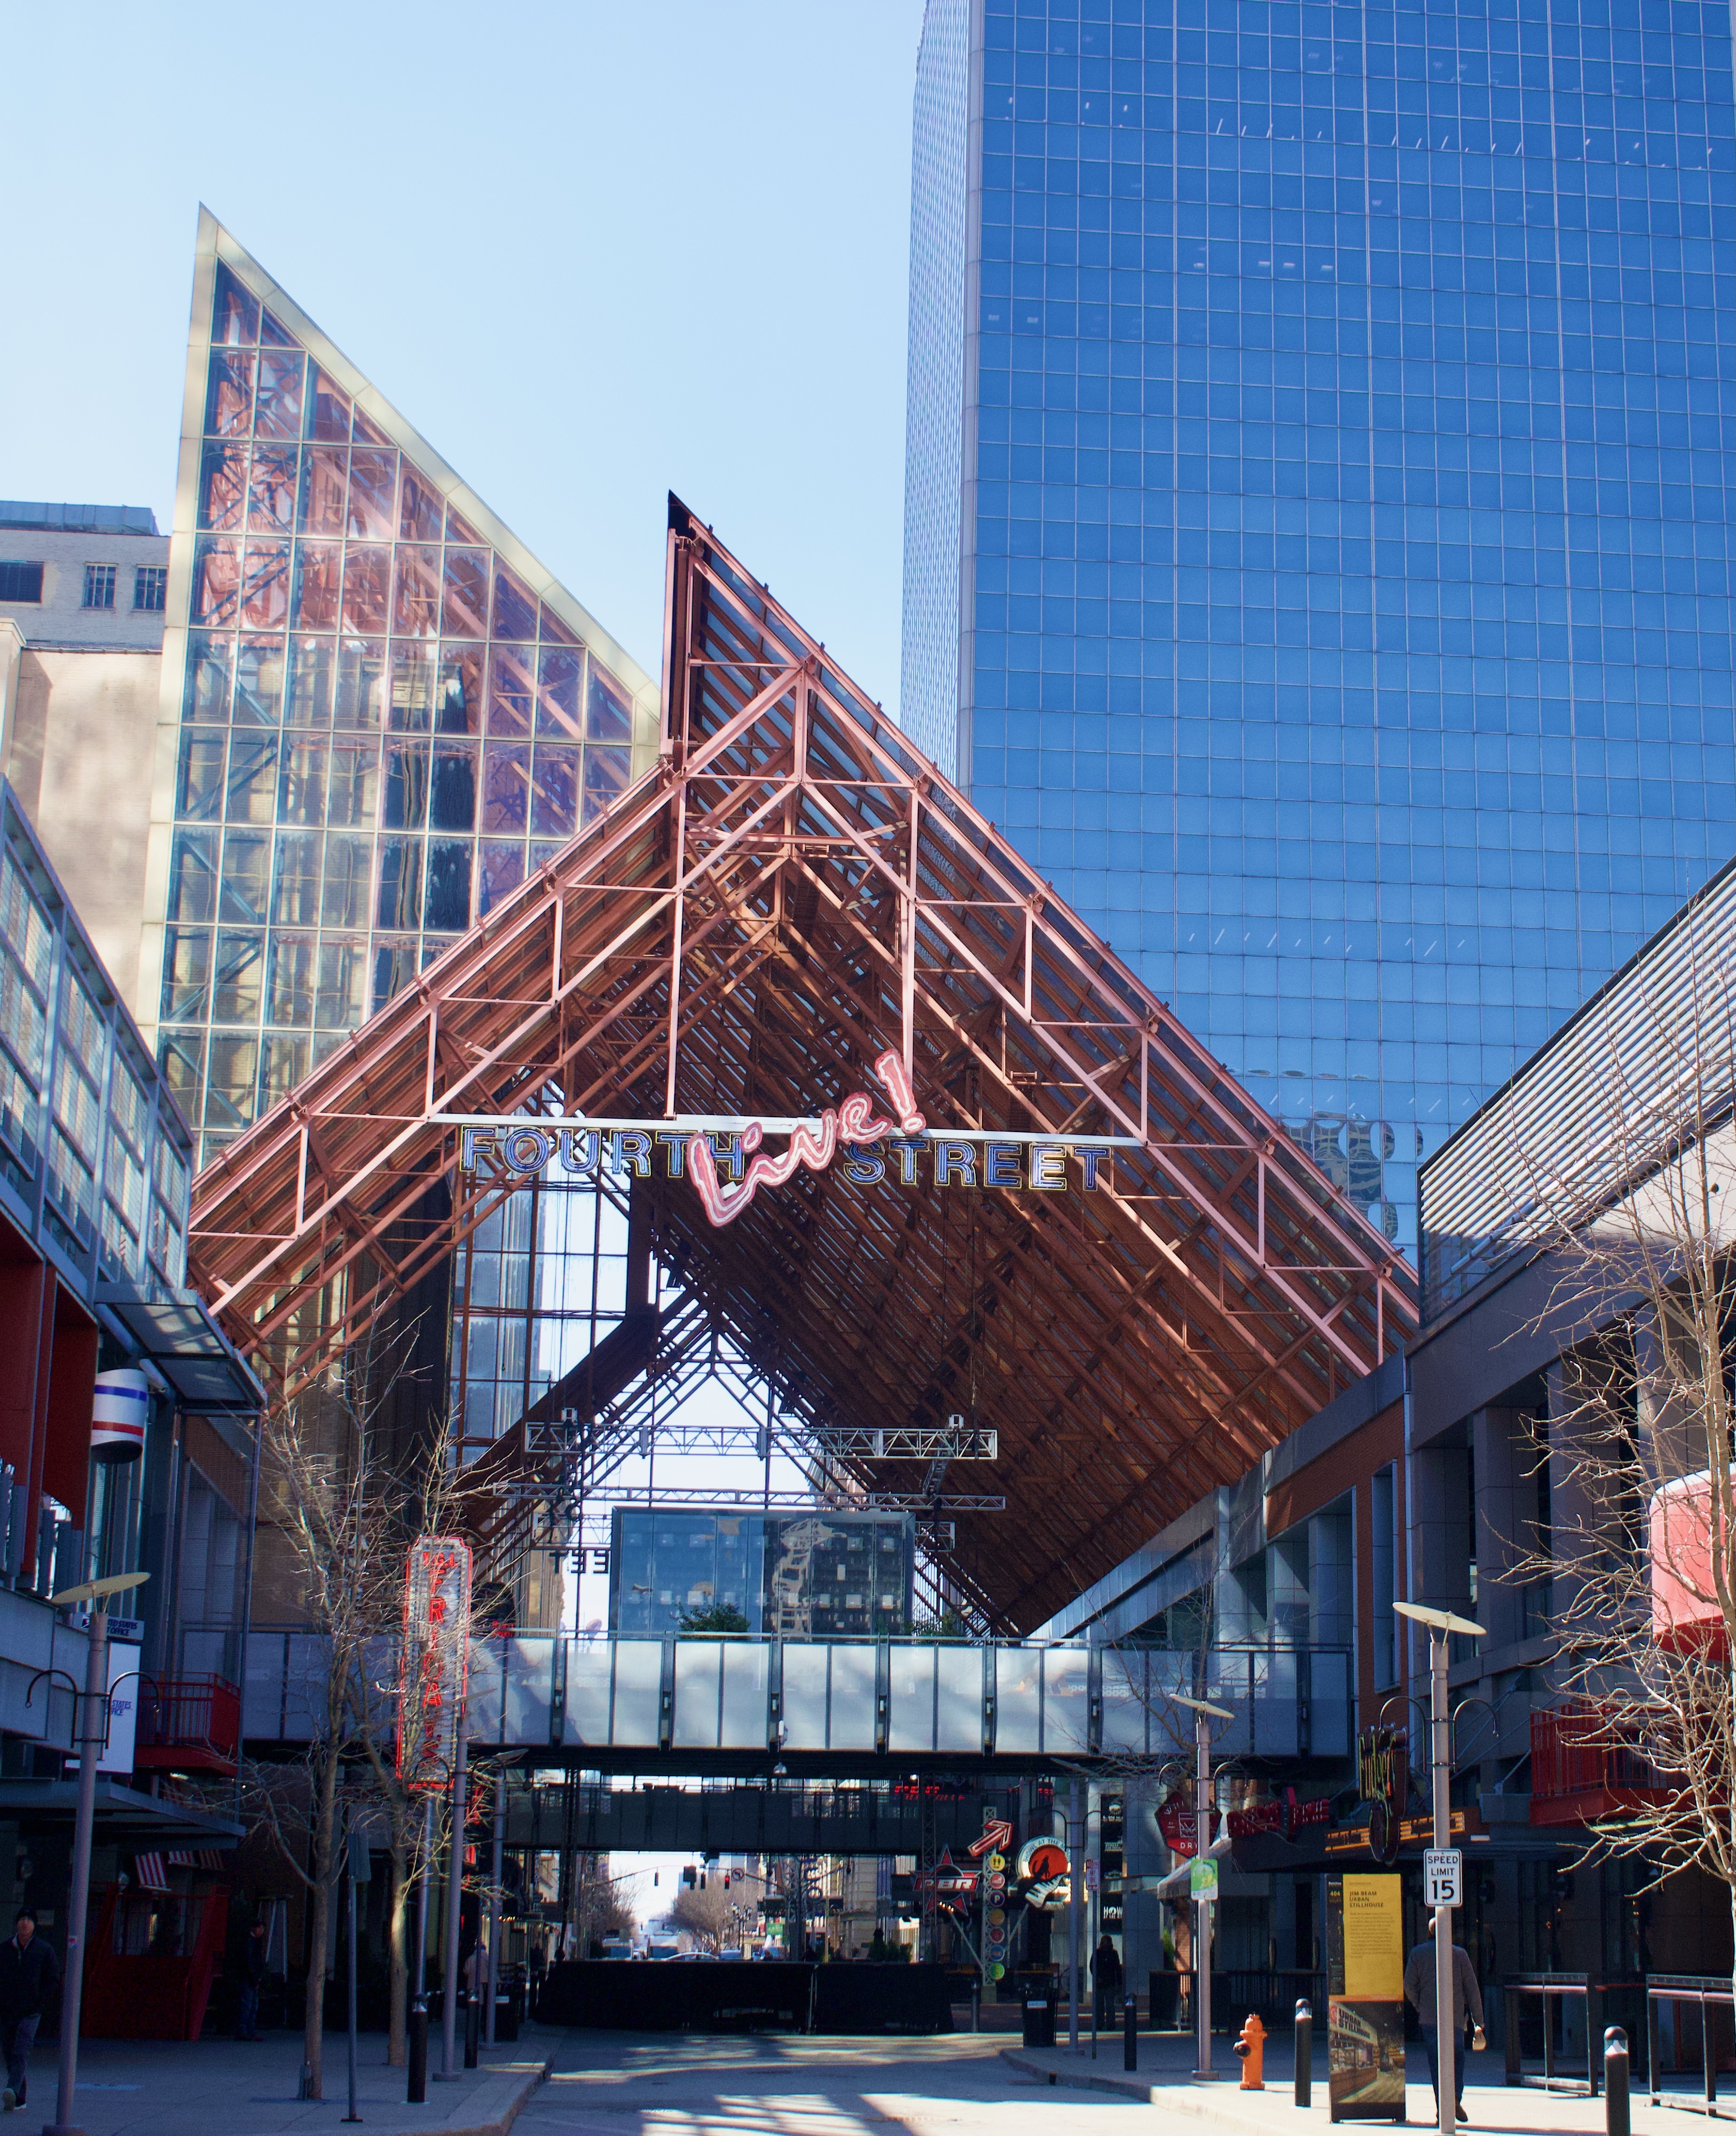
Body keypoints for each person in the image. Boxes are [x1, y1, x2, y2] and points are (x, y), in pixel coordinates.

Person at [1403, 1929, 1486, 2124]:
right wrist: (1479, 2021)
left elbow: (1409, 1985)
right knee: (1457, 2058)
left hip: (1429, 2019)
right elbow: (1472, 1989)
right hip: (1455, 2018)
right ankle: (1454, 2098)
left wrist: (1420, 2005)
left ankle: (1443, 2106)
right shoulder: (1459, 1954)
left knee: (1436, 2063)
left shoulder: (1417, 1954)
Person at [0, 1907, 59, 2111]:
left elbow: (52, 1980)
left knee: (21, 2050)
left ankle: (11, 2089)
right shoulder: (5, 1949)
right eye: (22, 1919)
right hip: (8, 2010)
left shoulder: (44, 1950)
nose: (25, 1923)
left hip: (31, 2011)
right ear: (17, 1923)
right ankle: (19, 2096)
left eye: (29, 1920)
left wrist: (40, 1999)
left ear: (34, 1925)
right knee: (9, 2052)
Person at [235, 1917, 268, 2040]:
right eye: (260, 1928)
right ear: (254, 1929)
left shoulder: (252, 1942)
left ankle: (248, 2031)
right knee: (248, 2005)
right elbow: (249, 1963)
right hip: (249, 1979)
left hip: (251, 1978)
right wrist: (256, 1979)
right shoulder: (250, 1943)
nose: (262, 1931)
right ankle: (245, 2031)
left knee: (251, 2006)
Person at [1091, 1934, 1124, 2027]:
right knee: (1100, 2005)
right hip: (1101, 1983)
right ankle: (1100, 2023)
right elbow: (1092, 1966)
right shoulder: (1098, 1953)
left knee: (1110, 2005)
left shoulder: (1113, 1953)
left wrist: (1119, 1982)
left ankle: (1110, 2023)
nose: (1106, 1944)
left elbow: (1117, 1968)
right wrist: (1097, 1978)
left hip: (1109, 1983)